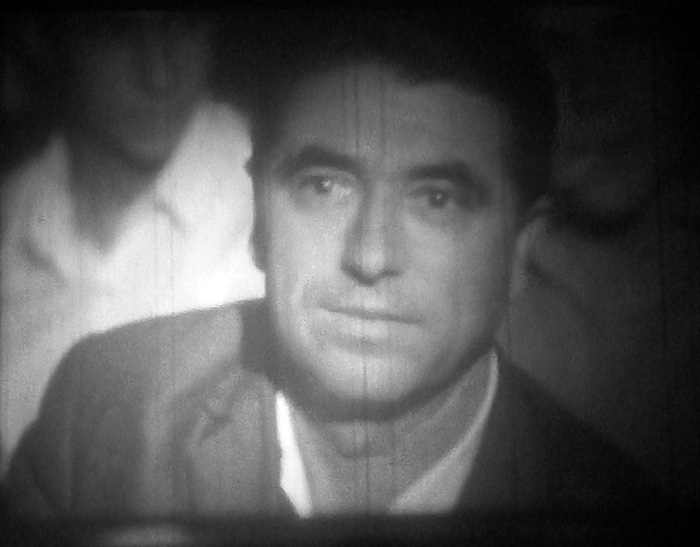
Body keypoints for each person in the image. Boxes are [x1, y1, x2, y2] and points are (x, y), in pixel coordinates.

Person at [5, 8, 656, 518]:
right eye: (324, 186)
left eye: (437, 200)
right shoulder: (101, 414)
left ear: (519, 249)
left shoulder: (617, 514)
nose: (370, 255)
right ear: (260, 216)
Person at [0, 12, 264, 475]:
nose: (160, 75)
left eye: (182, 22)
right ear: (45, 37)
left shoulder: (272, 206)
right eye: (118, 28)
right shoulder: (12, 215)